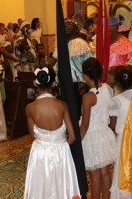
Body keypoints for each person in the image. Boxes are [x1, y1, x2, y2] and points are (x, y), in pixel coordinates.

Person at [24, 66, 80, 199]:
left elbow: (33, 136)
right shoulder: (62, 105)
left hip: (40, 154)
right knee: (62, 187)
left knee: (42, 187)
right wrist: (59, 143)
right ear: (53, 83)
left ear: (35, 83)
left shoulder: (30, 108)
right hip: (61, 152)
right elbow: (72, 137)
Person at [80, 57, 117, 199]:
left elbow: (85, 124)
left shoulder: (88, 97)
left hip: (92, 138)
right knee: (105, 173)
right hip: (105, 134)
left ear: (85, 75)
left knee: (94, 175)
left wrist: (77, 141)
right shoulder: (107, 88)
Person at [108, 65, 132, 199]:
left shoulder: (116, 101)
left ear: (118, 84)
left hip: (123, 141)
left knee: (123, 169)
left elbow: (113, 125)